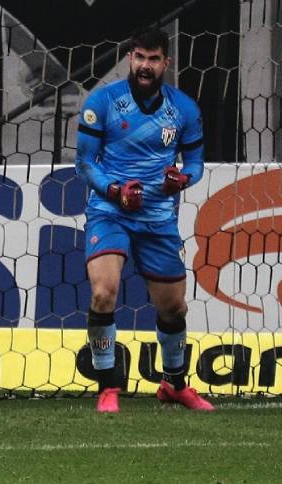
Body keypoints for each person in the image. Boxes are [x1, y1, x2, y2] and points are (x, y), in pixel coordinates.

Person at [74, 27, 213, 413]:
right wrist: (115, 190)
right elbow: (84, 163)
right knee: (104, 292)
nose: (145, 66)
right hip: (110, 212)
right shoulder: (102, 101)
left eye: (153, 59)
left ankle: (173, 385)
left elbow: (197, 162)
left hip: (157, 218)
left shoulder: (184, 109)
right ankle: (108, 387)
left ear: (165, 62)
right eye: (138, 58)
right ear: (129, 59)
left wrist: (184, 178)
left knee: (174, 308)